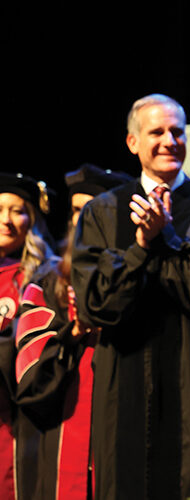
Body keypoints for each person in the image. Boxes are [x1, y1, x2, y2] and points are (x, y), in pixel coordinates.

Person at [71, 94, 190, 499]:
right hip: (122, 389)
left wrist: (162, 238)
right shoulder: (101, 212)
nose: (170, 140)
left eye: (178, 131)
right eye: (157, 132)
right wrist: (141, 248)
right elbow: (97, 306)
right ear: (132, 142)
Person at [12, 166, 130, 500]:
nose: (83, 219)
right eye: (77, 210)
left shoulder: (141, 276)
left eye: (93, 208)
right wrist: (75, 330)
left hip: (122, 426)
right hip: (66, 423)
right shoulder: (48, 282)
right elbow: (30, 376)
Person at [0, 173, 56, 499]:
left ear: (31, 219)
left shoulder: (46, 277)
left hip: (24, 423)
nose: (6, 221)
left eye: (17, 210)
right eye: (0, 210)